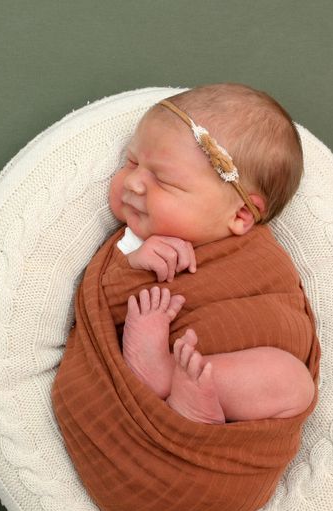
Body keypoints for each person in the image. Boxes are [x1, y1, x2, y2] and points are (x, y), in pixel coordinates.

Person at [109, 84, 316, 424]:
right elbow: (99, 301)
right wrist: (132, 265)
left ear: (240, 215)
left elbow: (284, 303)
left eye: (163, 180)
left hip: (243, 400)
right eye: (131, 163)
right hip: (157, 382)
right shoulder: (132, 241)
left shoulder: (262, 252)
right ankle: (165, 380)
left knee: (295, 383)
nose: (133, 182)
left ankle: (189, 395)